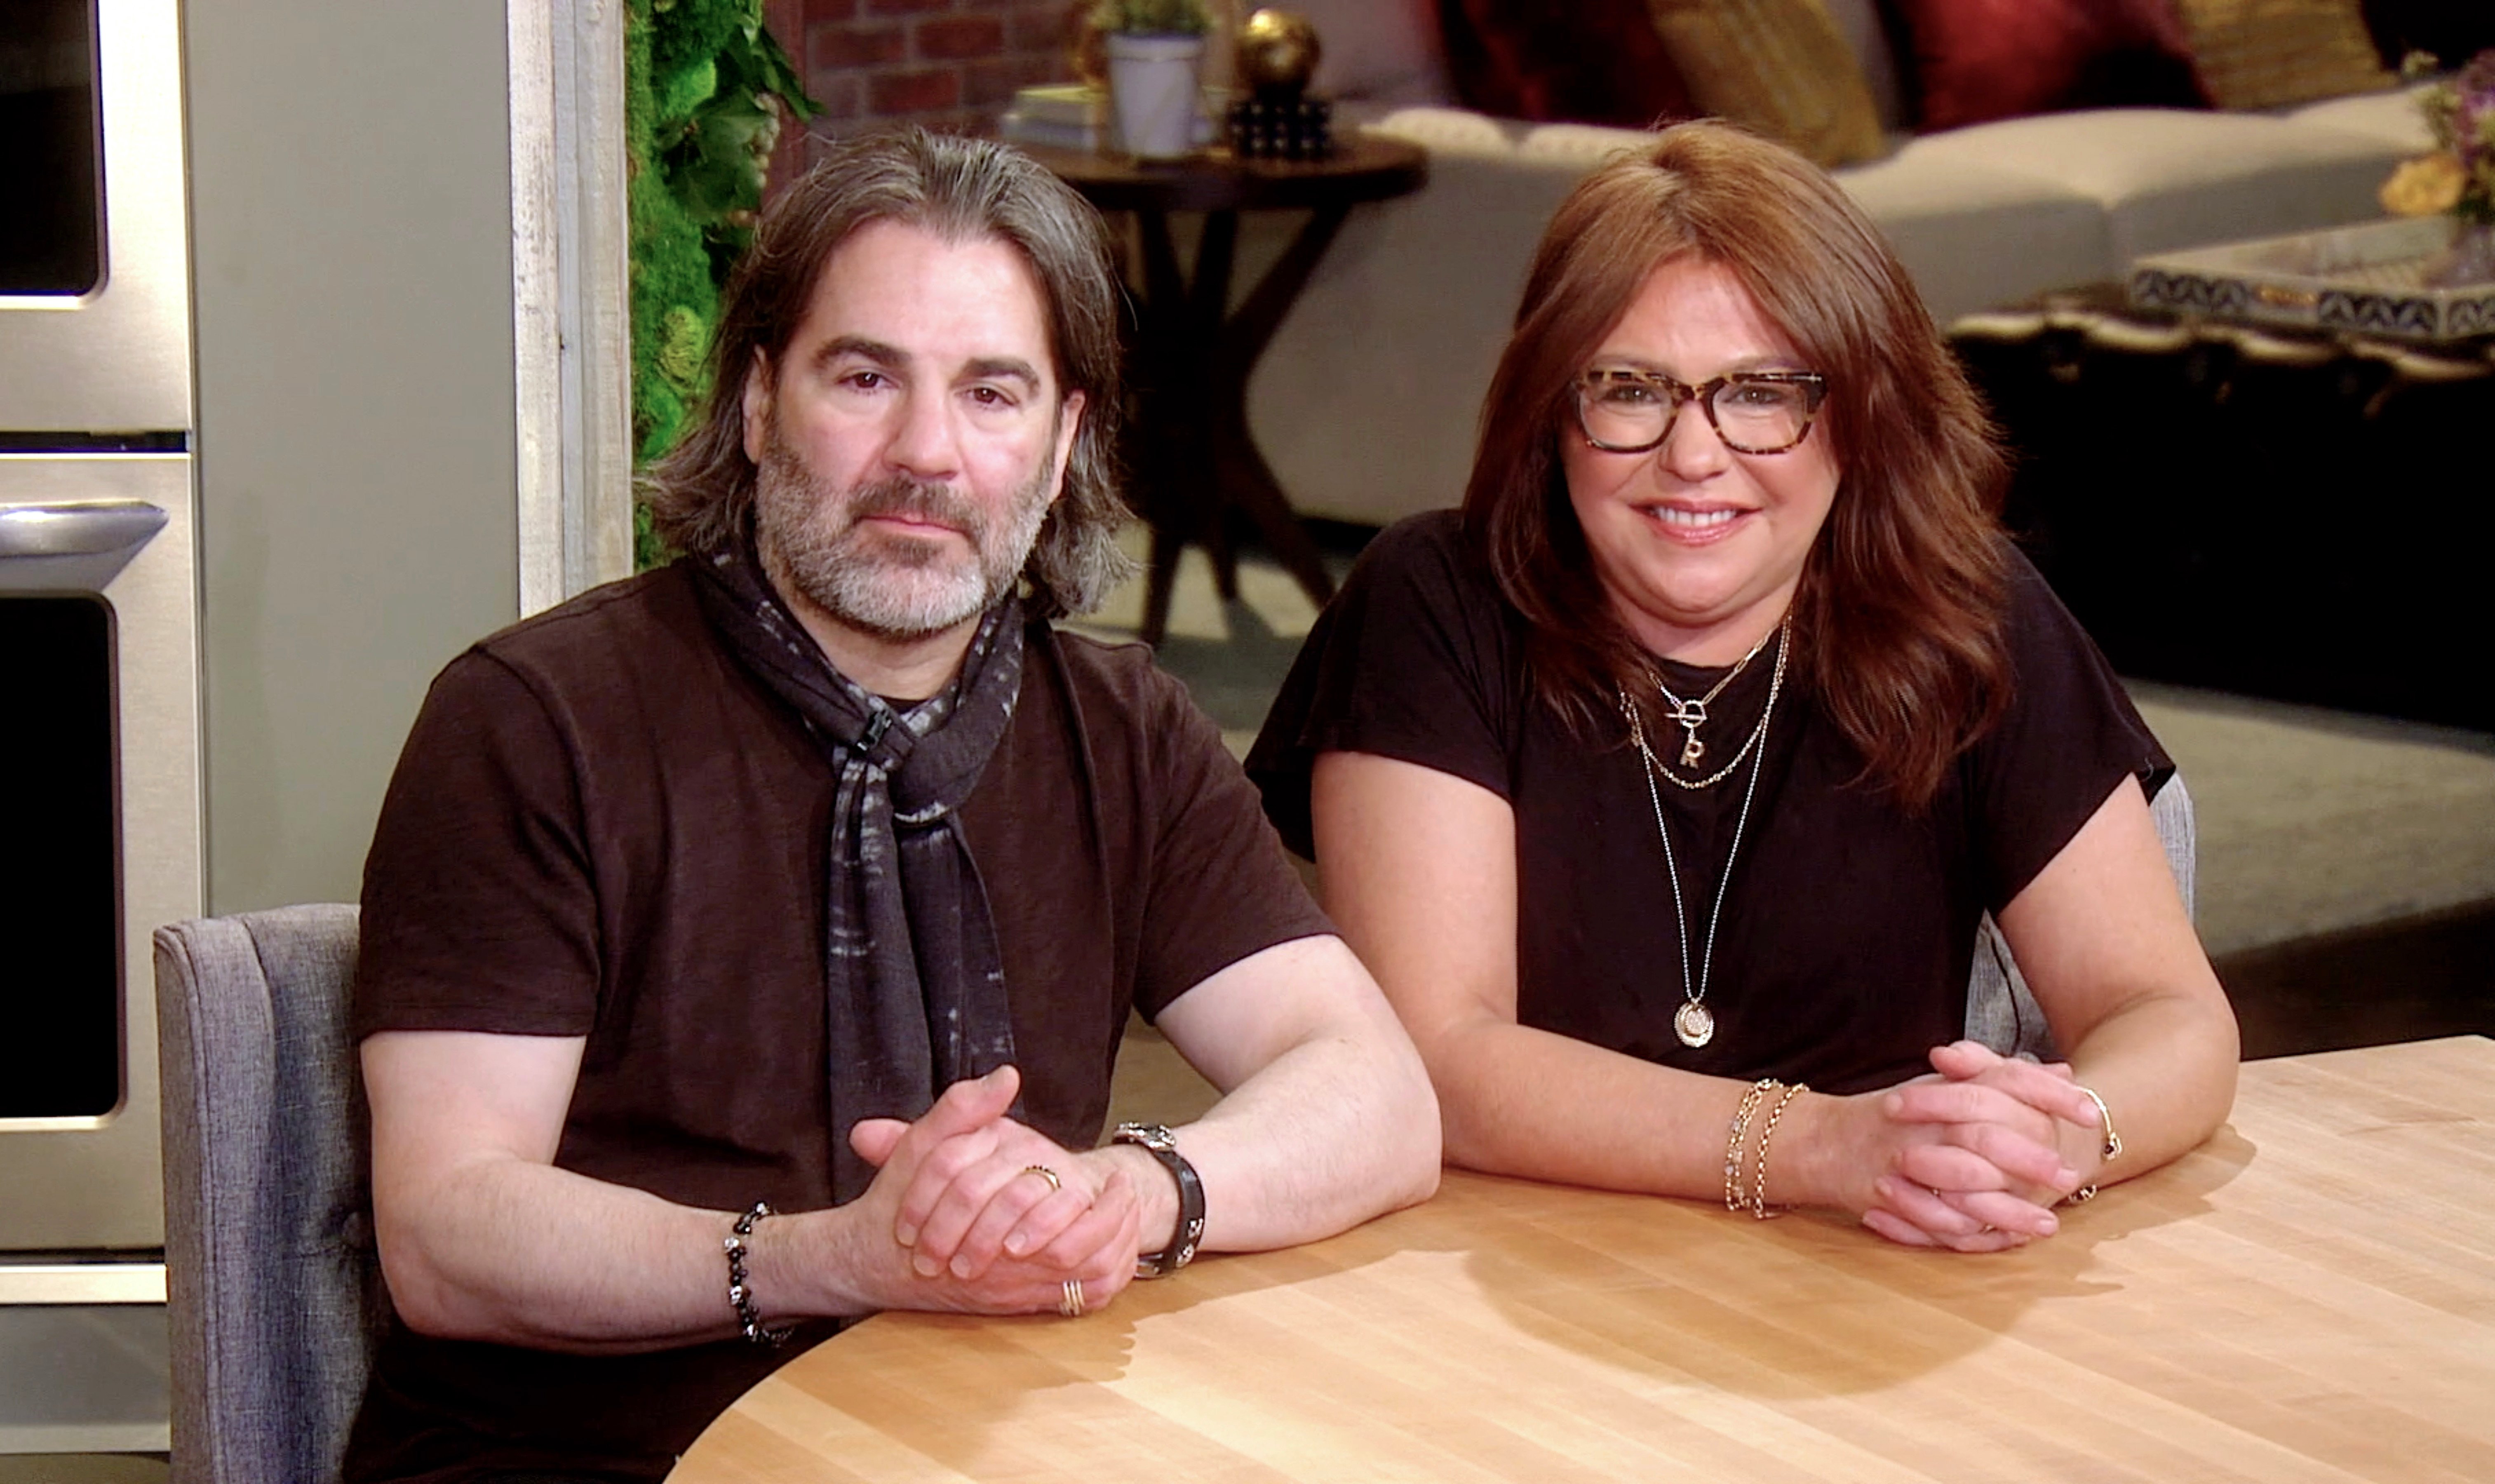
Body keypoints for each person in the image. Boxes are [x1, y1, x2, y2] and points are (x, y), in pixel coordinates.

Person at [344, 128, 1438, 1483]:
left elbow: (1377, 1093)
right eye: (865, 378)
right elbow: (447, 1234)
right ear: (759, 403)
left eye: (993, 394)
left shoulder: (1124, 730)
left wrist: (1129, 1194)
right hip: (588, 1454)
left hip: (976, 1436)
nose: (928, 453)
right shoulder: (534, 721)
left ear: (1060, 446)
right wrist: (834, 1257)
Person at [1248, 121, 2237, 1256]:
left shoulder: (1966, 614)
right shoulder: (1434, 603)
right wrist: (1815, 1149)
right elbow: (1439, 1055)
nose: (1694, 455)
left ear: (1859, 414)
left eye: (1761, 394)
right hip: (1516, 1278)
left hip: (1871, 1274)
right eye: (1630, 391)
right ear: (1550, 413)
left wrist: (2047, 1144)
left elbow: (2167, 1017)